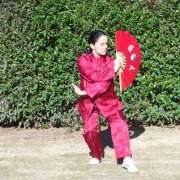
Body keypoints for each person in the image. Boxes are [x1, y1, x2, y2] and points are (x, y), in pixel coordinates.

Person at [72, 30, 138, 173]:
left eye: (106, 44)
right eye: (101, 44)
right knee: (90, 130)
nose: (105, 47)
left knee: (120, 123)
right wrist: (112, 70)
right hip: (88, 101)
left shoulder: (110, 61)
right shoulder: (82, 60)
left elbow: (105, 84)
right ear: (92, 45)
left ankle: (126, 158)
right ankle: (97, 155)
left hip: (107, 97)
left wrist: (84, 91)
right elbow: (94, 76)